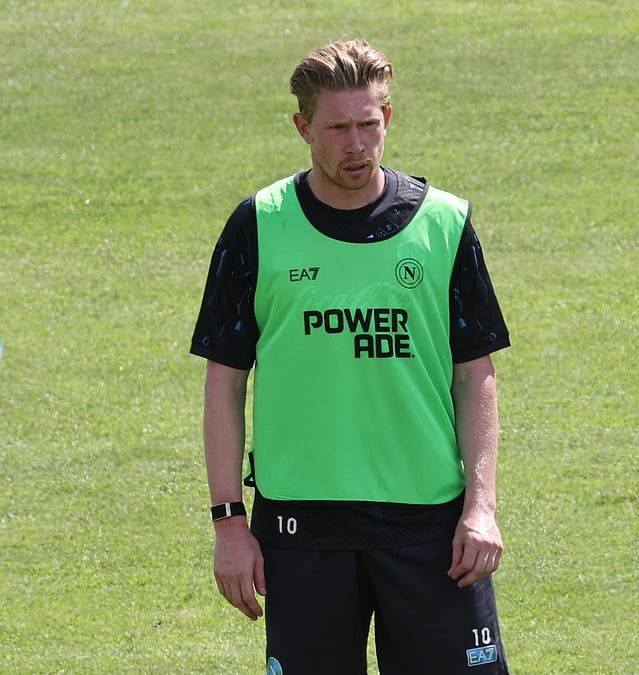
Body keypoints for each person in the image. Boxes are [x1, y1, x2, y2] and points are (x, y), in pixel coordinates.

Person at [190, 39, 510, 674]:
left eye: (369, 124)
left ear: (387, 118)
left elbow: (476, 376)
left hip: (431, 528)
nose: (356, 145)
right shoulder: (258, 224)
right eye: (337, 128)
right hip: (301, 529)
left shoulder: (444, 224)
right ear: (303, 127)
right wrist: (229, 522)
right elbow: (224, 384)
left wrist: (481, 507)